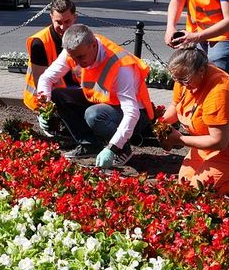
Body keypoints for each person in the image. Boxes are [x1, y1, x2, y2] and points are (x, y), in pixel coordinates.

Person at [157, 47, 229, 196]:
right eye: (177, 80)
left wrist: (179, 139)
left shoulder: (220, 91)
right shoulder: (184, 77)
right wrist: (161, 124)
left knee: (200, 191)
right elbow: (176, 105)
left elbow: (219, 142)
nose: (181, 84)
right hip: (208, 140)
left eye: (185, 80)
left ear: (201, 71)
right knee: (185, 184)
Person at [35, 24, 155, 167]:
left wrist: (113, 147)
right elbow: (46, 79)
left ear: (93, 45)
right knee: (58, 95)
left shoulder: (121, 66)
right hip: (102, 103)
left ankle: (122, 149)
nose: (77, 62)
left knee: (93, 114)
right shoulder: (74, 51)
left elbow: (132, 113)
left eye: (81, 57)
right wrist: (44, 108)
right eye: (74, 58)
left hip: (137, 117)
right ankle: (89, 145)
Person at [23, 0, 80, 123]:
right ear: (51, 17)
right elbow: (40, 81)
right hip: (46, 96)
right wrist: (46, 110)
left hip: (71, 89)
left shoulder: (80, 36)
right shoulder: (39, 42)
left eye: (67, 22)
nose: (63, 27)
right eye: (58, 22)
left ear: (75, 17)